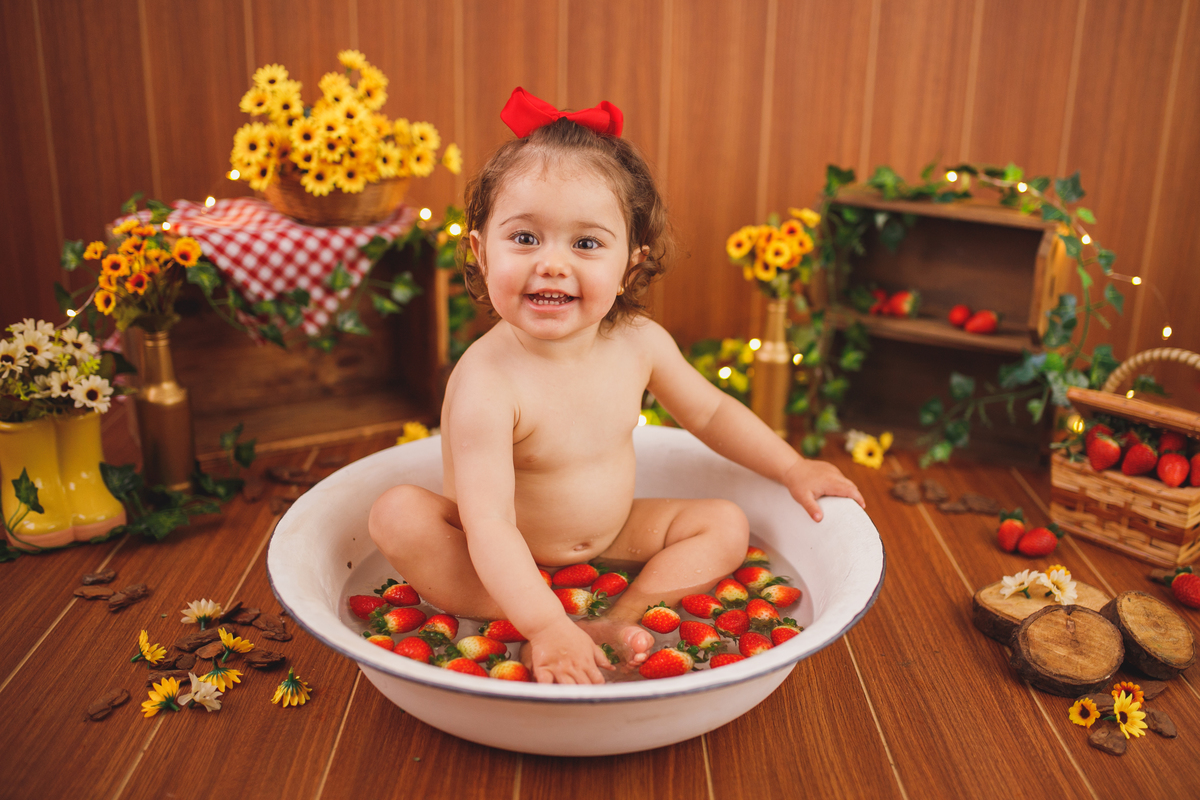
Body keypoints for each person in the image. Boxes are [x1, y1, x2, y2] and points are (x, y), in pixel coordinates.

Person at [369, 87, 865, 685]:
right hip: (493, 555)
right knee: (398, 514)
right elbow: (492, 522)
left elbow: (708, 414)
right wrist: (546, 623)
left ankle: (626, 613)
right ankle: (536, 621)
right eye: (525, 238)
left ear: (630, 262)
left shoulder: (639, 343)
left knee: (725, 523)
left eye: (586, 243)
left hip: (611, 533)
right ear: (478, 251)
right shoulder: (486, 381)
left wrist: (792, 468)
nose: (552, 264)